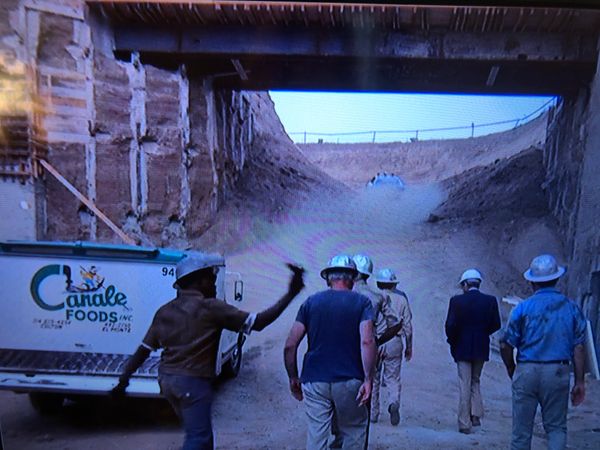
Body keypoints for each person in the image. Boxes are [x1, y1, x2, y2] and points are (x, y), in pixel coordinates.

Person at [111, 254, 305, 450]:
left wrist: (123, 380)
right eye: (211, 279)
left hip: (168, 381)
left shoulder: (164, 311)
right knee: (198, 438)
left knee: (200, 433)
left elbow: (144, 350)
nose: (214, 284)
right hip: (193, 382)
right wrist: (291, 293)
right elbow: (259, 322)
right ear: (198, 281)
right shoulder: (211, 307)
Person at [284, 254, 377, 450]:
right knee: (352, 429)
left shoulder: (311, 302)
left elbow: (290, 345)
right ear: (352, 278)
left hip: (314, 380)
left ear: (328, 278)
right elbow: (367, 341)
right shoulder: (362, 303)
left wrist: (293, 377)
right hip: (350, 380)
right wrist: (368, 379)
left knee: (317, 434)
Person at [500, 254, 587, 450]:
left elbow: (506, 344)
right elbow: (579, 346)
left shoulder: (522, 308)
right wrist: (580, 381)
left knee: (521, 432)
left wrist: (512, 368)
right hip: (557, 371)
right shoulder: (571, 308)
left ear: (532, 282)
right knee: (556, 428)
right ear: (557, 279)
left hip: (527, 370)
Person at [445, 268, 501, 434]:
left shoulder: (456, 301)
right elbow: (496, 324)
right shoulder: (490, 301)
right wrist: (483, 333)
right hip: (481, 346)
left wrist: (453, 340)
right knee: (475, 380)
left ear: (465, 284)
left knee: (464, 383)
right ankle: (475, 414)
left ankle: (464, 422)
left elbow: (450, 326)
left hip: (461, 347)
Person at [374, 268, 413, 426]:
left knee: (374, 378)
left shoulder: (374, 298)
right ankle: (393, 402)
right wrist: (409, 346)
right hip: (395, 342)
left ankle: (373, 413)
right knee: (393, 378)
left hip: (376, 341)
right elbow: (408, 327)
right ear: (393, 284)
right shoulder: (402, 299)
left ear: (378, 283)